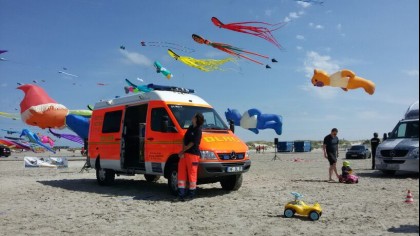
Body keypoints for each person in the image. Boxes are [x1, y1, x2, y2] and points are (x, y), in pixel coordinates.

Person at [177, 113, 204, 201]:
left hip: (193, 154)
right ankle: (181, 194)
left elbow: (193, 143)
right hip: (185, 154)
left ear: (196, 119)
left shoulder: (198, 130)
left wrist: (183, 150)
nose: (192, 117)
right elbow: (184, 139)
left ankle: (191, 194)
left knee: (192, 175)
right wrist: (182, 151)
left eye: (194, 116)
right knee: (181, 173)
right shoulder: (190, 127)